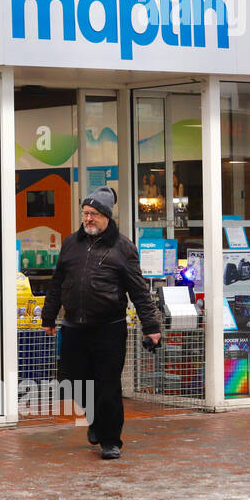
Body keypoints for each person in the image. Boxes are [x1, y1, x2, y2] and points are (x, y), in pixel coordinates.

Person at [42, 186, 162, 460]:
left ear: (107, 216)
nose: (88, 219)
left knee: (107, 384)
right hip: (74, 326)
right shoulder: (71, 243)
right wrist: (49, 317)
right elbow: (57, 282)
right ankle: (94, 421)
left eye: (93, 214)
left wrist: (151, 326)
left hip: (109, 327)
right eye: (85, 213)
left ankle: (111, 440)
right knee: (74, 381)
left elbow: (139, 290)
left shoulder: (123, 247)